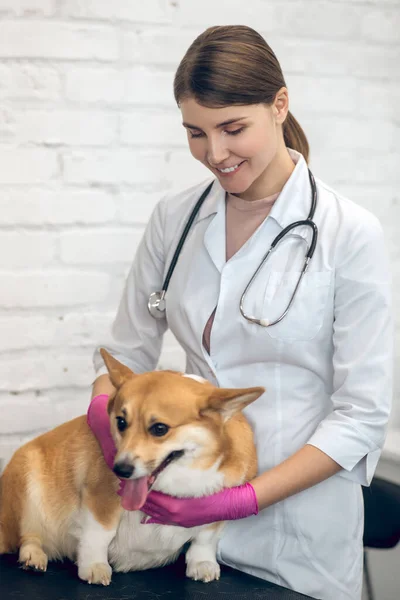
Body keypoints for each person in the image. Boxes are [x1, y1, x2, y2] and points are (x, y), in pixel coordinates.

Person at [87, 25, 393, 600]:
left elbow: (362, 415)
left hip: (295, 530)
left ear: (279, 105)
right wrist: (114, 433)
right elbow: (125, 356)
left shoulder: (348, 233)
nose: (215, 154)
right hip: (180, 520)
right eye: (195, 133)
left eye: (233, 129)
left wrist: (244, 498)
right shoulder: (175, 220)